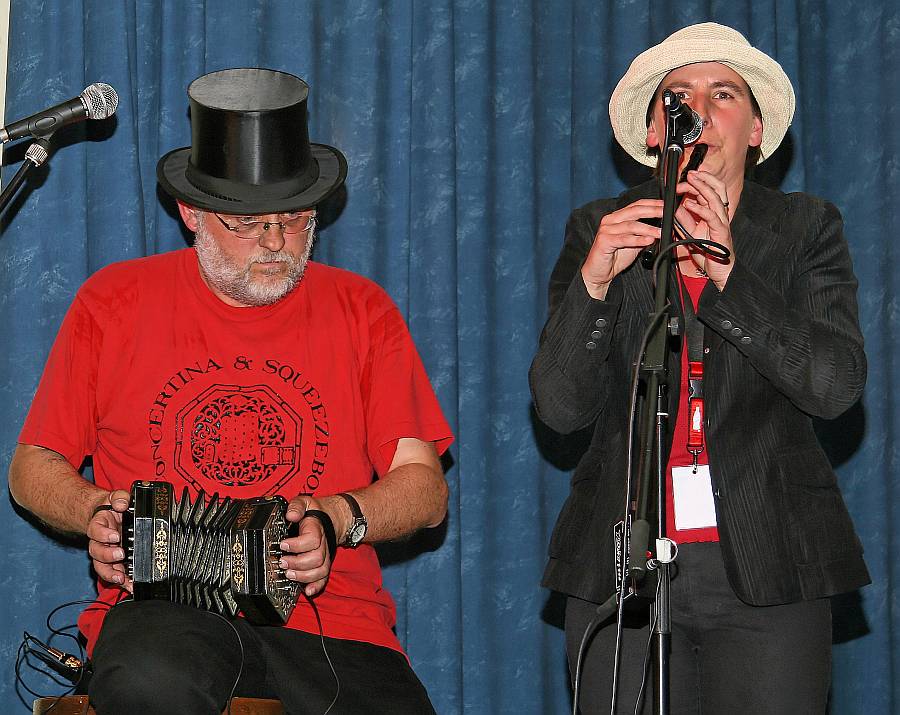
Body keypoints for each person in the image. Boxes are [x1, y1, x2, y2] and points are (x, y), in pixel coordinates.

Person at [8, 67, 453, 714]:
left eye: (294, 218)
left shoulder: (363, 310)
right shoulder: (114, 302)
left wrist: (337, 517)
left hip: (334, 629)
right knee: (148, 679)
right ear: (192, 213)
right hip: (165, 616)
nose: (274, 241)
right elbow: (31, 466)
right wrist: (94, 511)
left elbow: (425, 488)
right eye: (247, 223)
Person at [530, 23, 868, 714]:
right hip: (623, 564)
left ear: (756, 130)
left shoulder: (806, 228)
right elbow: (559, 408)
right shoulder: (601, 227)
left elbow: (835, 385)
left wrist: (729, 278)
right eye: (678, 97)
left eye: (724, 94)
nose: (699, 111)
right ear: (656, 131)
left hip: (771, 562)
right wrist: (593, 284)